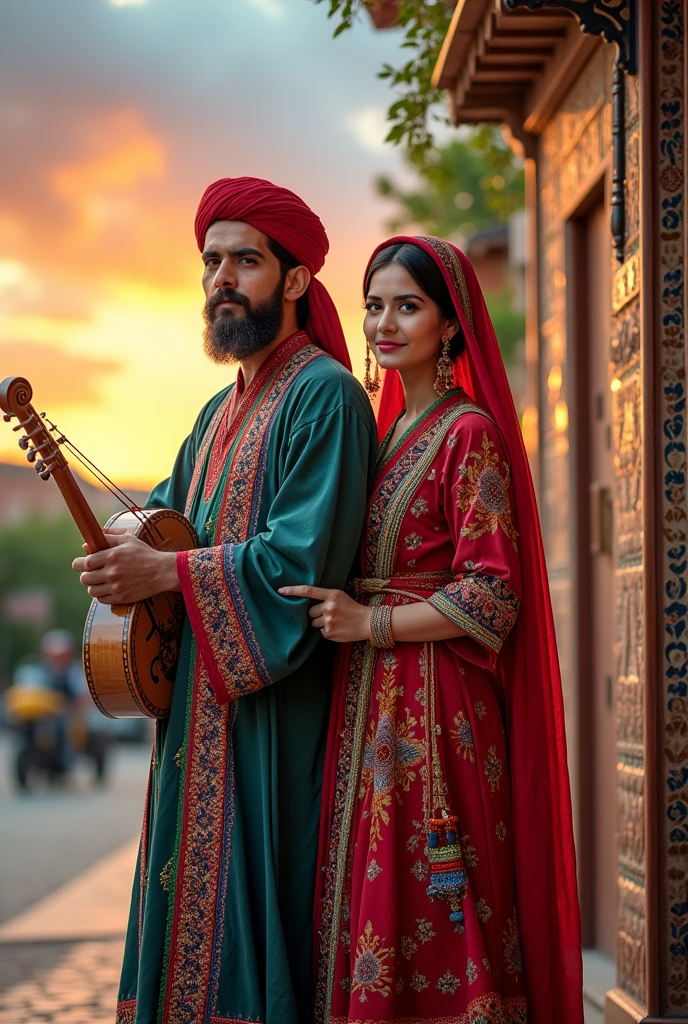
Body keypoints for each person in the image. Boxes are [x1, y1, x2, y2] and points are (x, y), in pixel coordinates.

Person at [72, 177, 377, 1024]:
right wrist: (117, 555)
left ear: (295, 279)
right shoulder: (212, 416)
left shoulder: (327, 397)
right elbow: (162, 525)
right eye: (212, 261)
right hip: (191, 724)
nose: (223, 279)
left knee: (264, 921)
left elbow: (300, 562)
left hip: (276, 722)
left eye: (246, 259)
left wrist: (166, 575)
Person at [281, 236, 583, 1023]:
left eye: (407, 306)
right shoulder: (381, 437)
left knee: (435, 891)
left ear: (449, 325)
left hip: (437, 706)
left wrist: (369, 620)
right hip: (368, 692)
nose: (384, 323)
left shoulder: (467, 432)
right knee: (370, 881)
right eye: (374, 305)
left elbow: (493, 598)